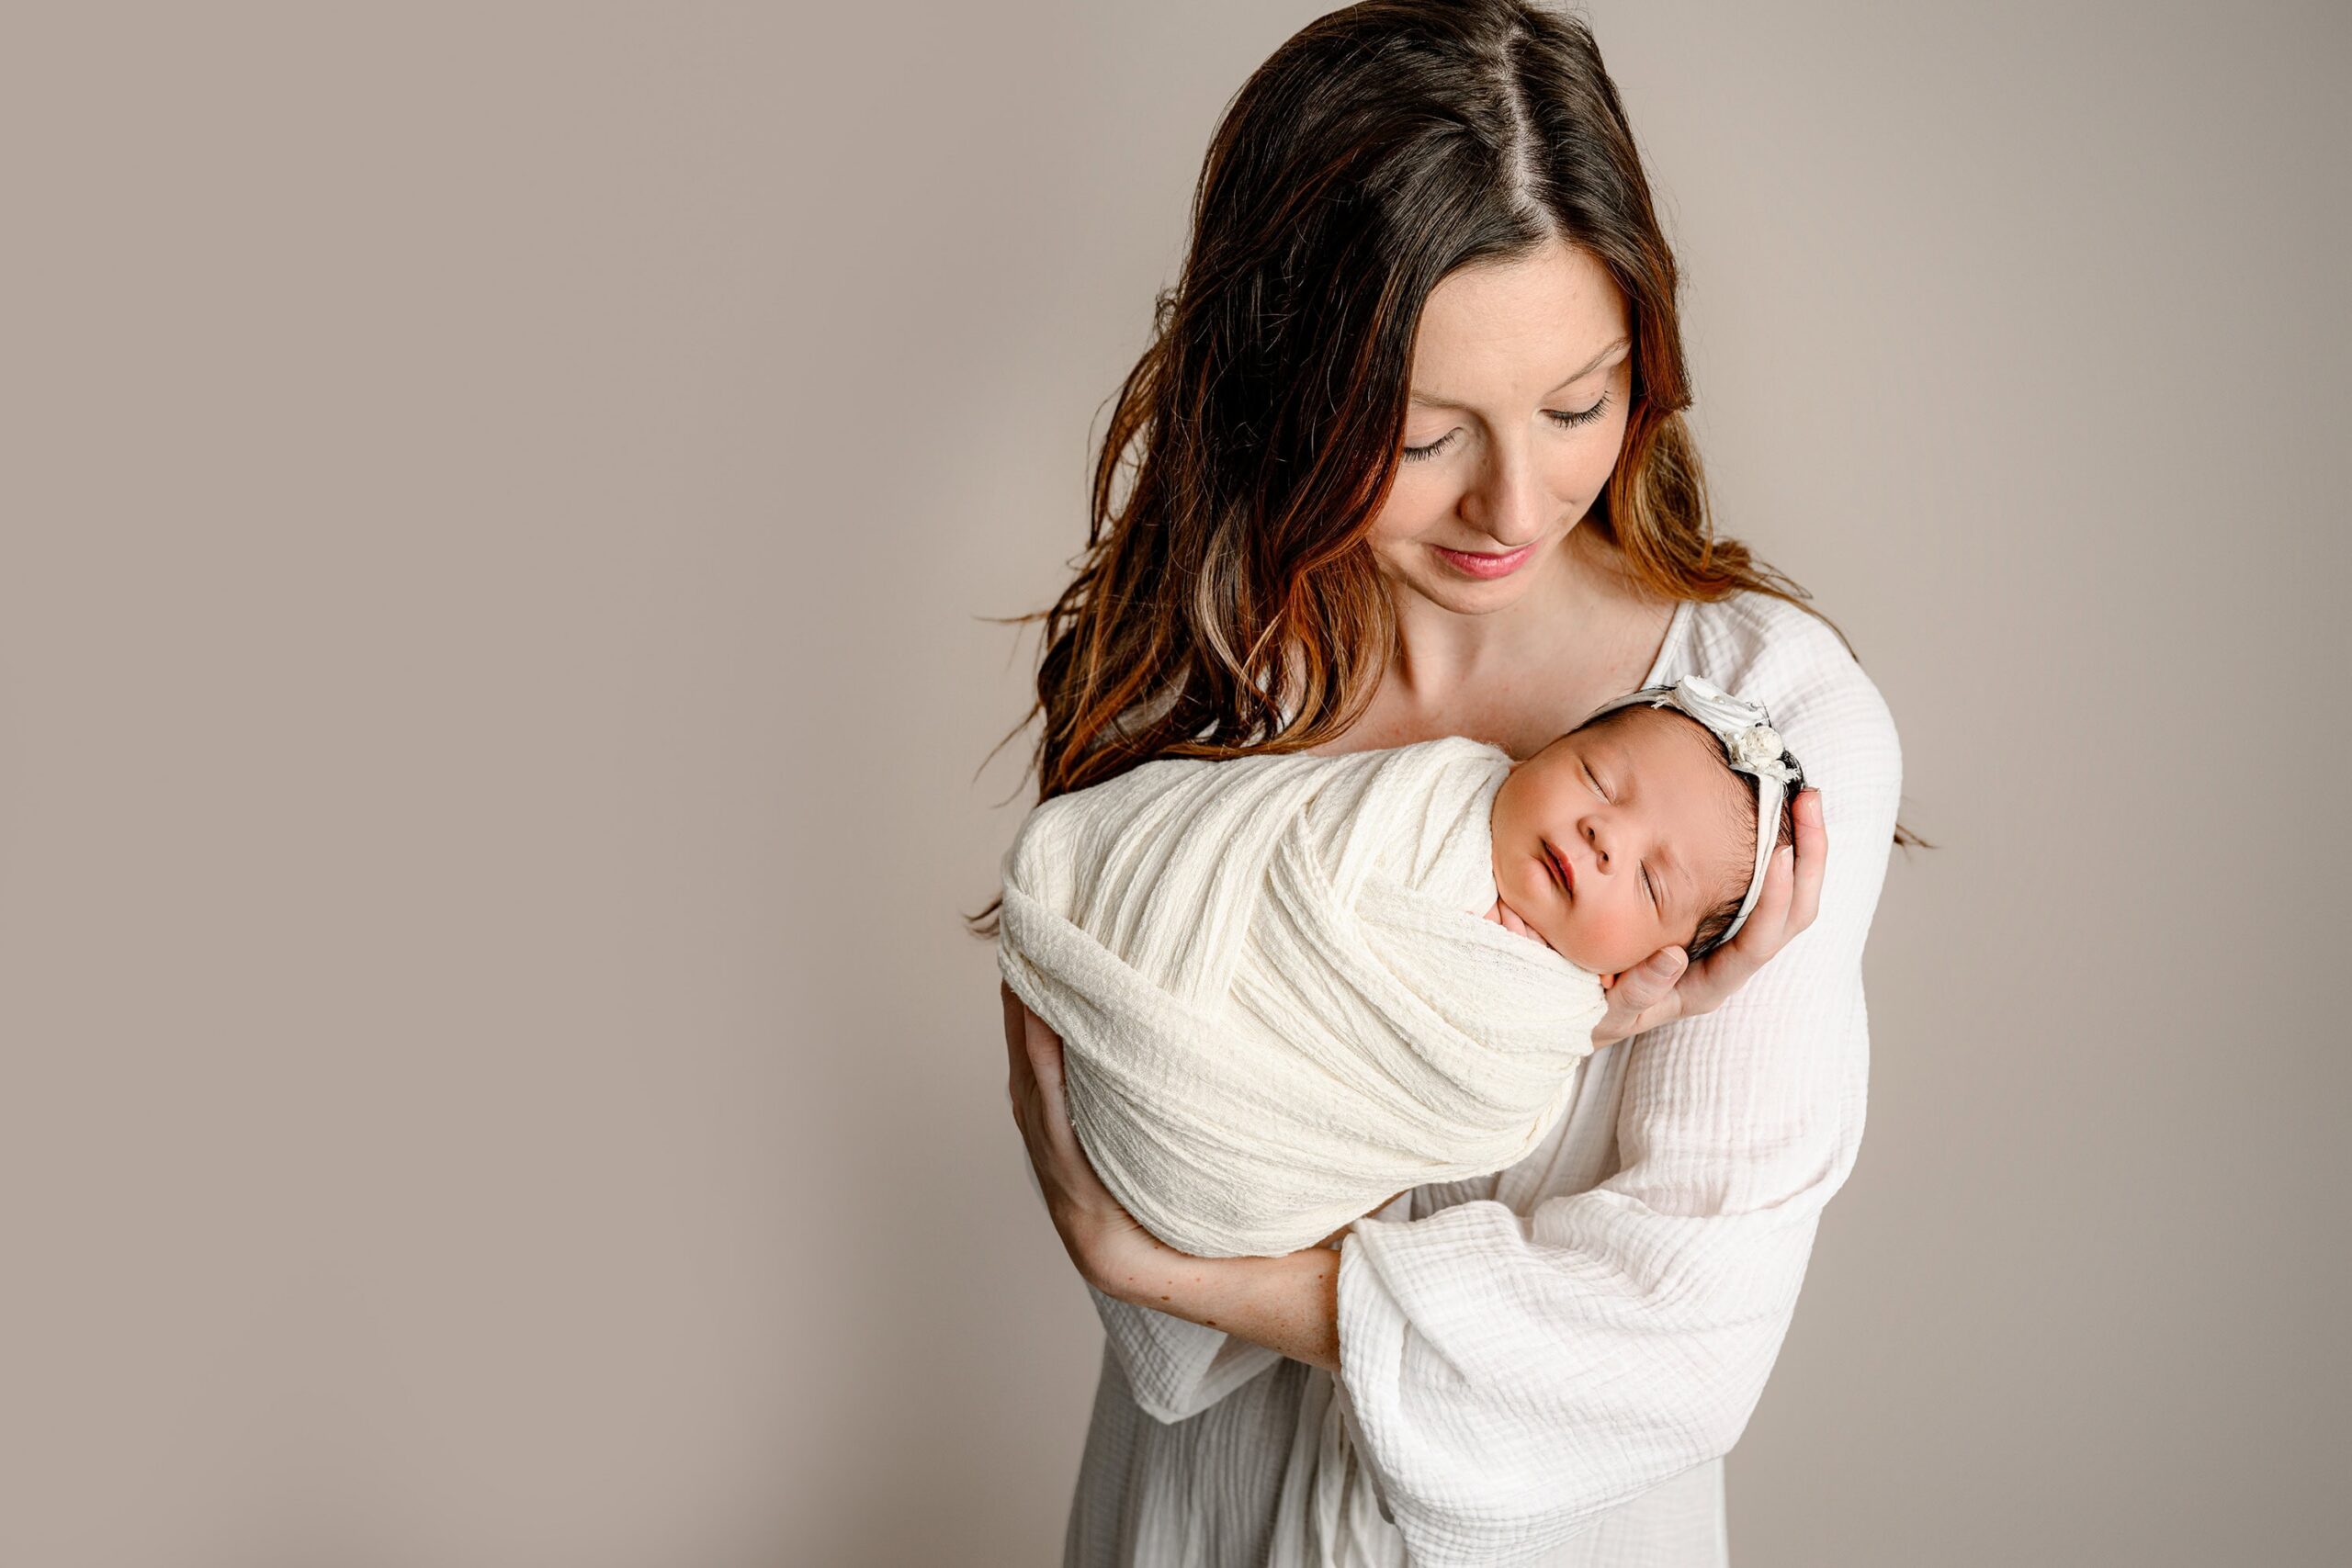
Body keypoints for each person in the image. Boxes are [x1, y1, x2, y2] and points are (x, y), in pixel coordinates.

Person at [982, 3, 1908, 1562]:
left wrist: (1202, 1276)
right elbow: (1125, 1094)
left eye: (1577, 405)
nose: (1515, 499)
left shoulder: (1766, 724)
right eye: (1420, 432)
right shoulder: (1219, 654)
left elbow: (1680, 1329)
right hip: (1193, 1515)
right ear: (1291, 384)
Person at [995, 678, 1805, 1262]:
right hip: (1145, 953)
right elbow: (1277, 817)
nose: (1603, 835)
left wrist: (1525, 1002)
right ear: (1548, 745)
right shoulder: (1437, 789)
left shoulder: (1547, 1023)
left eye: (1649, 880)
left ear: (1643, 963)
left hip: (1212, 1142)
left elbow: (1467, 1100)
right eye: (1597, 776)